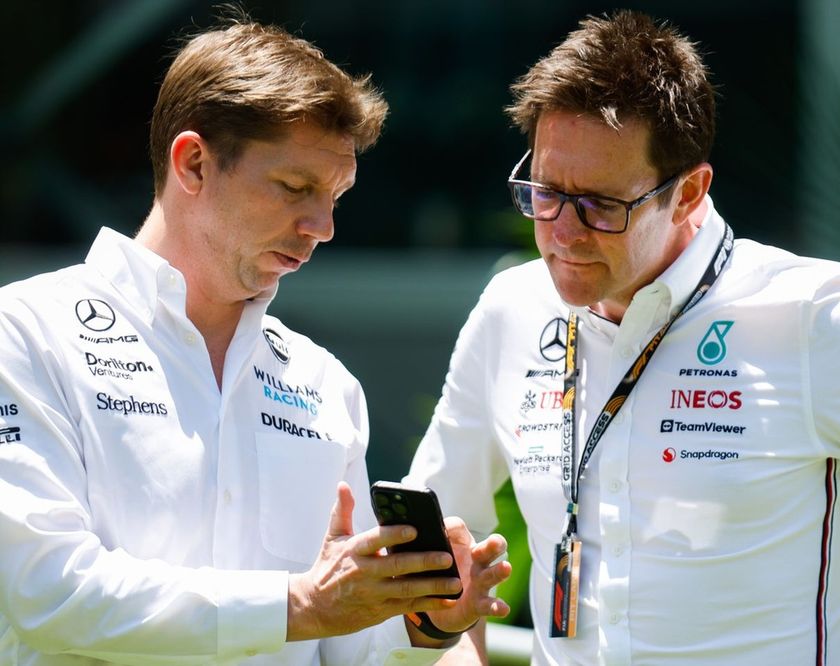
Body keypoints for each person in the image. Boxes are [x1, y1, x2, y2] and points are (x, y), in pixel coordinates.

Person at [405, 9, 840, 665]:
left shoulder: (815, 315)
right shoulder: (510, 308)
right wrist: (442, 633)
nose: (563, 233)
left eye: (600, 205)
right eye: (545, 193)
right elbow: (430, 548)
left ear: (689, 192)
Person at [0, 14, 510, 665]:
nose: (322, 226)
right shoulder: (25, 332)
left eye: (335, 196)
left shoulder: (325, 384)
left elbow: (344, 648)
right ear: (193, 164)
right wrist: (298, 605)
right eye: (295, 188)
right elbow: (47, 590)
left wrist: (422, 621)